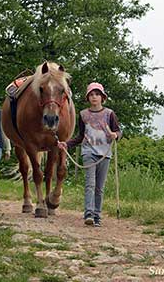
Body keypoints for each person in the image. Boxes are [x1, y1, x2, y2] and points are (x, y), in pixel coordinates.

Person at [57, 82, 122, 227]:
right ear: (88, 98)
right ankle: (89, 214)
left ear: (102, 97)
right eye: (91, 95)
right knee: (90, 184)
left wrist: (114, 135)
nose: (94, 97)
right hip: (88, 152)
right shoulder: (83, 115)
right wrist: (66, 144)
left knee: (99, 187)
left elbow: (118, 132)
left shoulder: (109, 114)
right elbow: (80, 136)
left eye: (97, 94)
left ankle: (97, 216)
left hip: (105, 154)